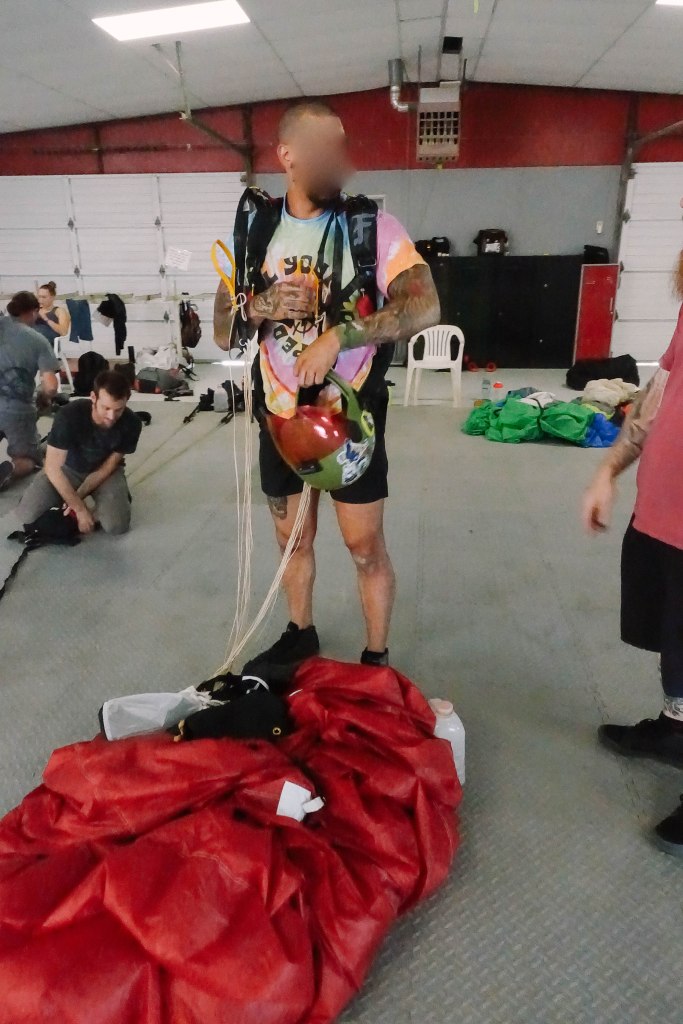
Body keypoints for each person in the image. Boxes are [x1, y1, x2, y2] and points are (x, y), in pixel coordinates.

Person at [214, 101, 440, 673]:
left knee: (364, 547)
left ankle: (375, 655)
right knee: (291, 537)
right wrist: (261, 305)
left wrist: (342, 335)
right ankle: (300, 631)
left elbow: (425, 306)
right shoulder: (255, 232)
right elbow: (222, 330)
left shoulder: (371, 228)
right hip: (279, 415)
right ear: (287, 155)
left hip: (349, 416)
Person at [582, 206, 683, 858]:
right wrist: (608, 469)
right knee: (672, 639)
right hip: (662, 514)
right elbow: (658, 395)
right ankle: (676, 727)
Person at [16, 369, 141, 536]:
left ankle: (118, 495)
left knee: (117, 526)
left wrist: (77, 498)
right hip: (67, 468)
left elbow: (107, 467)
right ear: (93, 397)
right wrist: (80, 509)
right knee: (27, 515)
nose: (111, 416)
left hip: (104, 471)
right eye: (106, 408)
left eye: (118, 409)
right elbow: (52, 468)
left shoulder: (132, 423)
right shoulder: (68, 416)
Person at [0, 290, 60, 490]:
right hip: (17, 412)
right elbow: (51, 386)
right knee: (30, 461)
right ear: (34, 311)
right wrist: (44, 398)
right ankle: (12, 467)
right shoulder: (38, 340)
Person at [34, 281, 70, 347]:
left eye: (44, 297)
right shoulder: (35, 310)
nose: (40, 300)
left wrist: (46, 318)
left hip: (48, 346)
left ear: (52, 297)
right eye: (39, 297)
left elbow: (64, 332)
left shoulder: (59, 311)